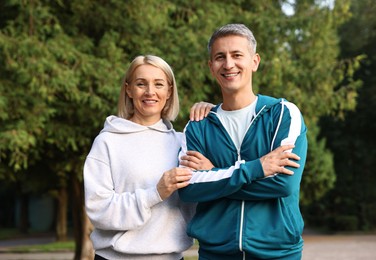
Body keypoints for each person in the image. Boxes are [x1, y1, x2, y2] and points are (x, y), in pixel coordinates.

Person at [178, 24, 308, 260]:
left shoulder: (283, 115)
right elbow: (188, 189)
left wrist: (213, 174)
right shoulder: (198, 125)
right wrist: (255, 169)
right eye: (220, 57)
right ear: (211, 66)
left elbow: (282, 184)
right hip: (215, 254)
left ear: (255, 61)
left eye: (237, 55)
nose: (228, 64)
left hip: (278, 254)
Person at [83, 54, 214, 260]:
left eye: (159, 84)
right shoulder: (107, 142)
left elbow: (203, 207)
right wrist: (155, 193)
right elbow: (99, 210)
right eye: (141, 83)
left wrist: (215, 117)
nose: (150, 92)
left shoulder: (183, 143)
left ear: (169, 91)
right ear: (128, 89)